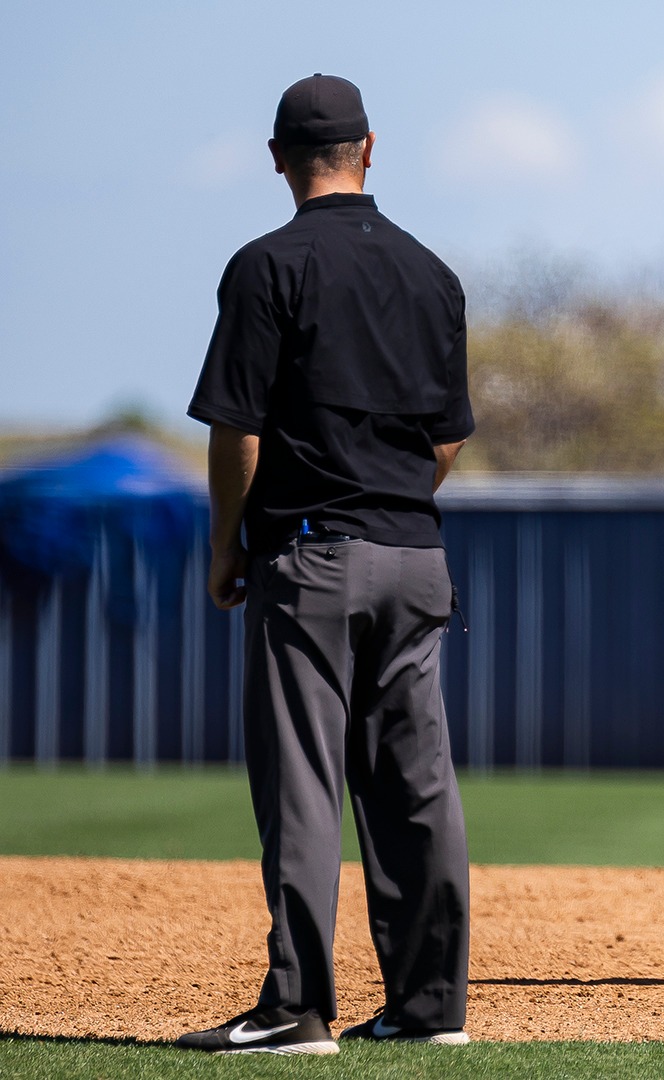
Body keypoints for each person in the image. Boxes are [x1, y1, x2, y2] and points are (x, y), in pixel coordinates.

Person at [177, 74, 476, 1054]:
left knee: (307, 782)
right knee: (417, 785)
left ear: (277, 157)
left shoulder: (268, 266)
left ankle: (296, 1008)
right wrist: (396, 504)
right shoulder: (433, 274)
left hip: (312, 556)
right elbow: (446, 440)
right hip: (416, 553)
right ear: (369, 149)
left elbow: (239, 430)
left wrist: (227, 543)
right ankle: (430, 1011)